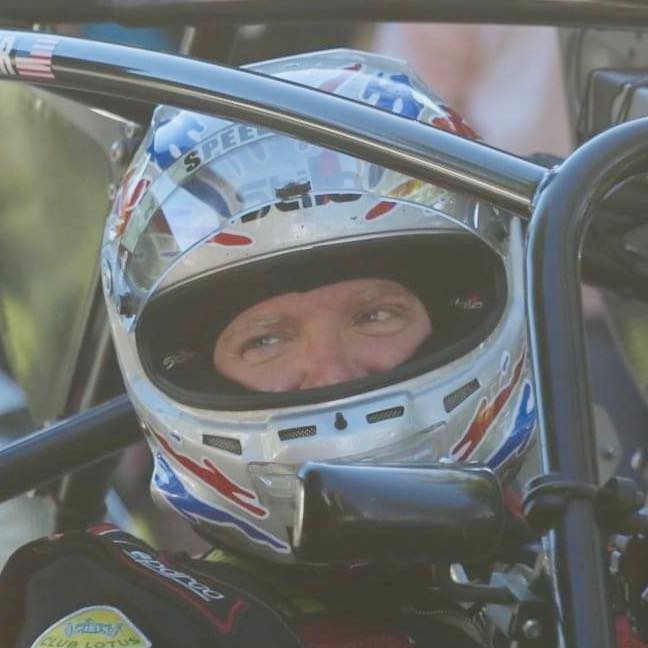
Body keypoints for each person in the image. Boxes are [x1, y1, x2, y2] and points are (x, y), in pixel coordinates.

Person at [0, 50, 537, 648]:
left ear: (459, 315)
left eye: (374, 316)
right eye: (267, 340)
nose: (329, 372)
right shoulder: (134, 618)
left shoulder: (571, 548)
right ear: (192, 369)